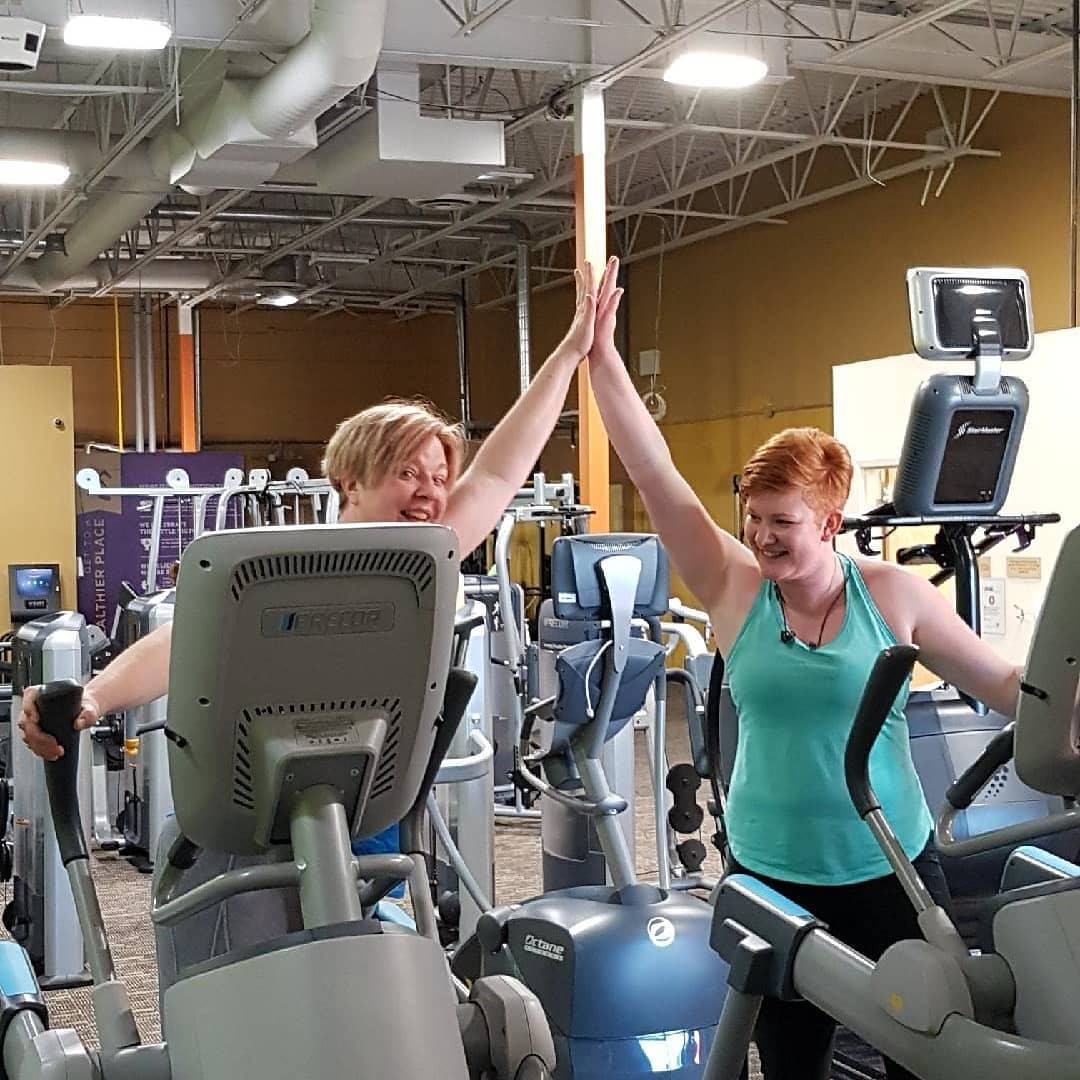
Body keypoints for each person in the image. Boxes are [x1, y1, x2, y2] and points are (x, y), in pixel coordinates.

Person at [585, 258, 1020, 1080]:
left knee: (925, 1055)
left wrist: (1063, 694)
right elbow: (653, 472)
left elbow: (1000, 683)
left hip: (890, 867)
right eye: (752, 517)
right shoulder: (733, 589)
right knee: (790, 1064)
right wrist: (601, 356)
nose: (761, 535)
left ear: (830, 522)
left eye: (781, 521)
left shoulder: (891, 596)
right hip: (772, 870)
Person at [19, 259, 612, 759]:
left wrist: (570, 354)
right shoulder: (301, 563)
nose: (430, 492)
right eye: (407, 473)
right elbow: (190, 639)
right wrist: (94, 697)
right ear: (351, 482)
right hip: (278, 784)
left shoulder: (436, 553)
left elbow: (501, 470)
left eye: (438, 478)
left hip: (383, 782)